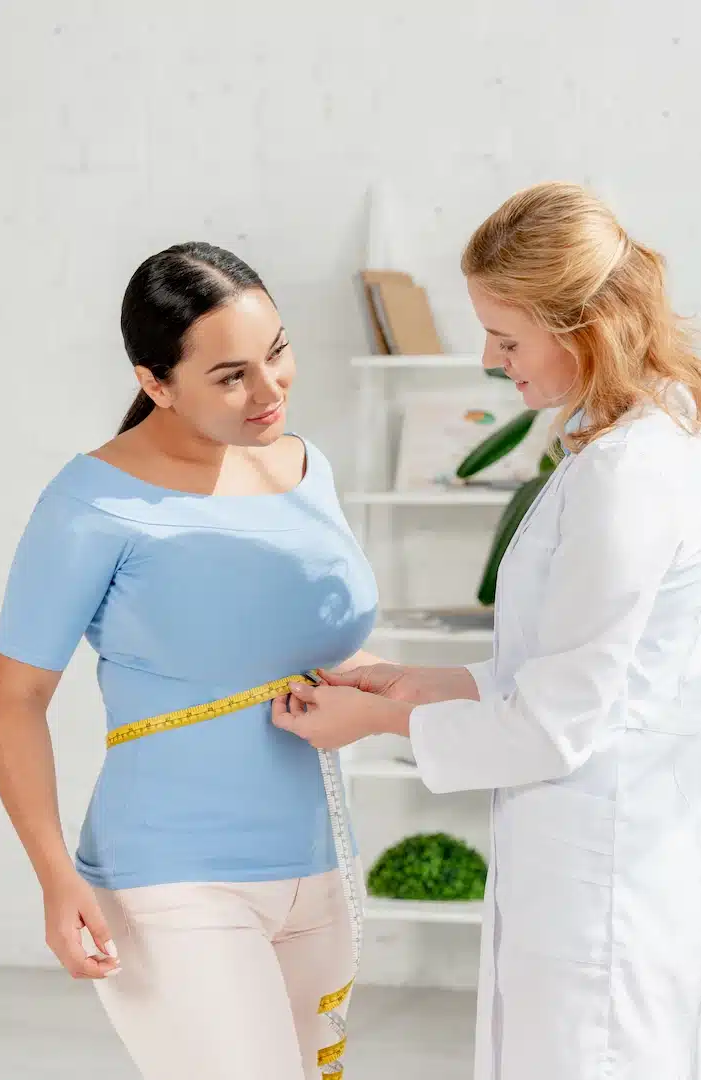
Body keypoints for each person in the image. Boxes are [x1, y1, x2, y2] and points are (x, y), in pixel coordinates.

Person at [272, 182, 701, 1080]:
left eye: (506, 338)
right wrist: (414, 680)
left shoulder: (630, 473)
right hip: (577, 849)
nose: (488, 357)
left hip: (604, 867)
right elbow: (563, 663)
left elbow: (556, 722)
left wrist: (377, 724)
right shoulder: (615, 445)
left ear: (582, 326)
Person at [0, 242, 381, 1080]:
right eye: (231, 376)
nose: (269, 391)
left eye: (276, 352)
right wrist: (54, 879)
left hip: (317, 864)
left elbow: (300, 647)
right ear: (155, 383)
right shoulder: (93, 501)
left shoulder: (308, 469)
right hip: (169, 878)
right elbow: (13, 700)